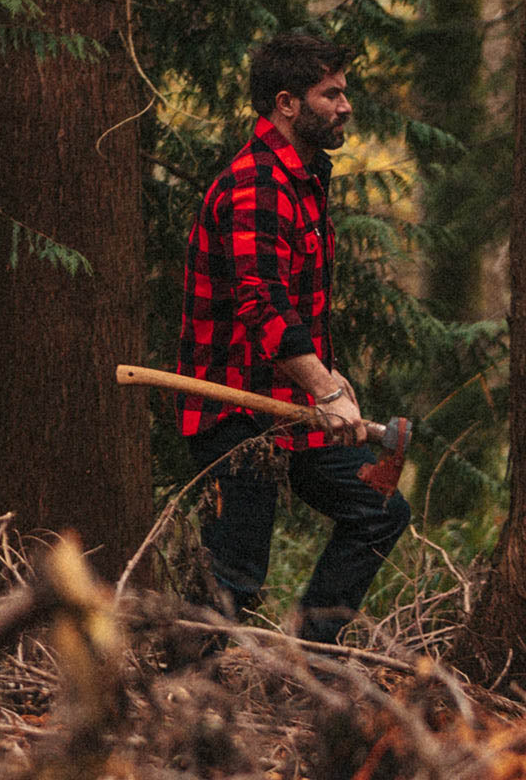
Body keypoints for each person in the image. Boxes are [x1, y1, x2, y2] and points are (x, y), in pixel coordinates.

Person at [175, 32, 411, 645]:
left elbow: (293, 305)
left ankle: (312, 663)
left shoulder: (302, 178)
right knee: (232, 580)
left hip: (291, 409)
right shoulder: (257, 181)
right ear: (286, 104)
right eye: (330, 93)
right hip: (236, 413)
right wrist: (326, 389)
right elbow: (262, 302)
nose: (345, 104)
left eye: (344, 91)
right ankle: (175, 708)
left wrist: (329, 385)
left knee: (378, 510)